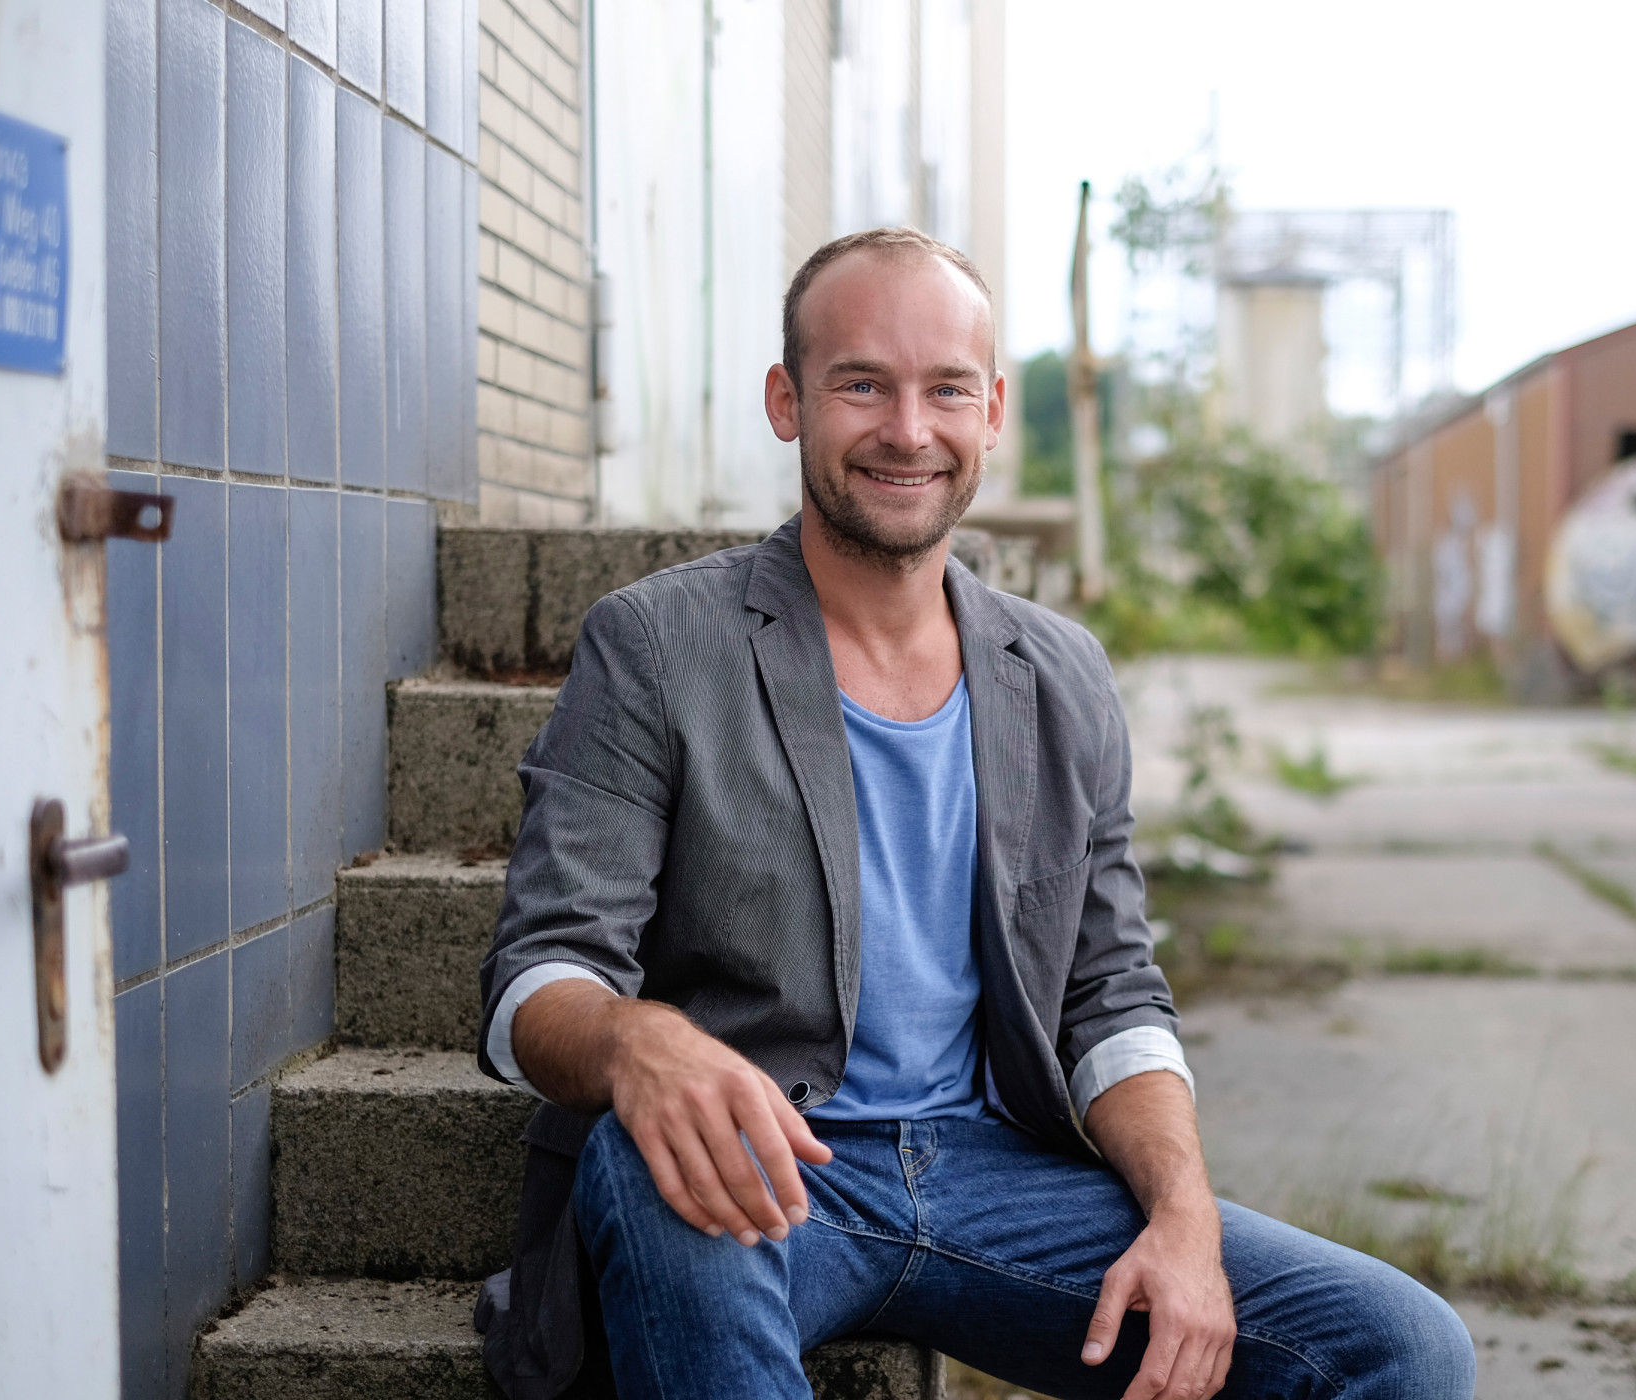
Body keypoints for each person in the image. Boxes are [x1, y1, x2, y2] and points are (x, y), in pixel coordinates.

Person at [474, 227, 1475, 1400]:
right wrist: (637, 1040)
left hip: (1003, 1177)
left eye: (947, 388)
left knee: (1405, 1346)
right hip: (767, 1164)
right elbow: (538, 974)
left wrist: (1184, 1211)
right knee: (653, 1161)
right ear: (788, 401)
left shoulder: (1061, 672)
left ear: (992, 411)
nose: (909, 429)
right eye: (862, 384)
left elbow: (1111, 992)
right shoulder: (656, 644)